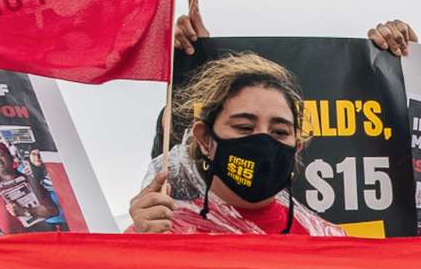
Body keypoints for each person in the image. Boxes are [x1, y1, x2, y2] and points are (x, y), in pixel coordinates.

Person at [122, 51, 346, 238]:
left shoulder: (327, 239)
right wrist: (143, 248)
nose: (262, 141)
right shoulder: (163, 230)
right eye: (244, 127)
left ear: (296, 147)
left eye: (279, 132)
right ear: (205, 139)